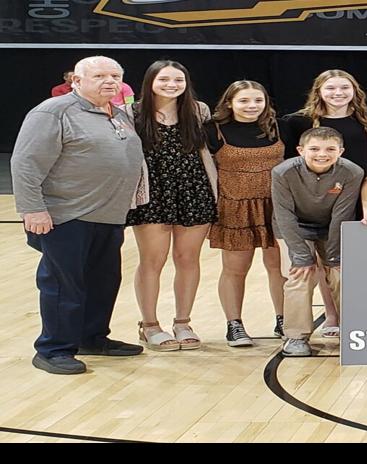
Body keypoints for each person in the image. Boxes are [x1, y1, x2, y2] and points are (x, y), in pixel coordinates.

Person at [13, 56, 148, 375]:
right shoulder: (53, 112)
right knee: (64, 284)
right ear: (76, 81)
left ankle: (92, 337)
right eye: (99, 75)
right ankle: (53, 348)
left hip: (109, 216)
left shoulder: (117, 114)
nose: (109, 81)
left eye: (115, 75)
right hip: (65, 216)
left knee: (103, 282)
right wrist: (33, 208)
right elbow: (25, 163)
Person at [127, 59, 218, 352]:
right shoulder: (132, 112)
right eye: (164, 80)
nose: (171, 85)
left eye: (178, 80)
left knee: (188, 259)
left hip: (194, 189)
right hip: (152, 193)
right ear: (150, 81)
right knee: (152, 260)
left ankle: (183, 322)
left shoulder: (198, 110)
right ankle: (150, 325)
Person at [208, 80, 288, 347]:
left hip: (277, 206)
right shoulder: (213, 129)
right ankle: (235, 325)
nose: (252, 106)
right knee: (235, 269)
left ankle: (284, 319)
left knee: (280, 268)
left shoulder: (280, 127)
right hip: (235, 208)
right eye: (244, 100)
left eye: (258, 100)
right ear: (229, 103)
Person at [271, 127, 364, 357]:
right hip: (296, 228)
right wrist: (301, 256)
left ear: (340, 151)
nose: (322, 154)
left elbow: (342, 215)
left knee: (341, 274)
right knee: (299, 275)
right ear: (301, 150)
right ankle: (296, 336)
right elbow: (284, 215)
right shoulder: (283, 172)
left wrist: (333, 257)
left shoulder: (352, 172)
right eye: (314, 149)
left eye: (330, 149)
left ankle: (354, 330)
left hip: (331, 226)